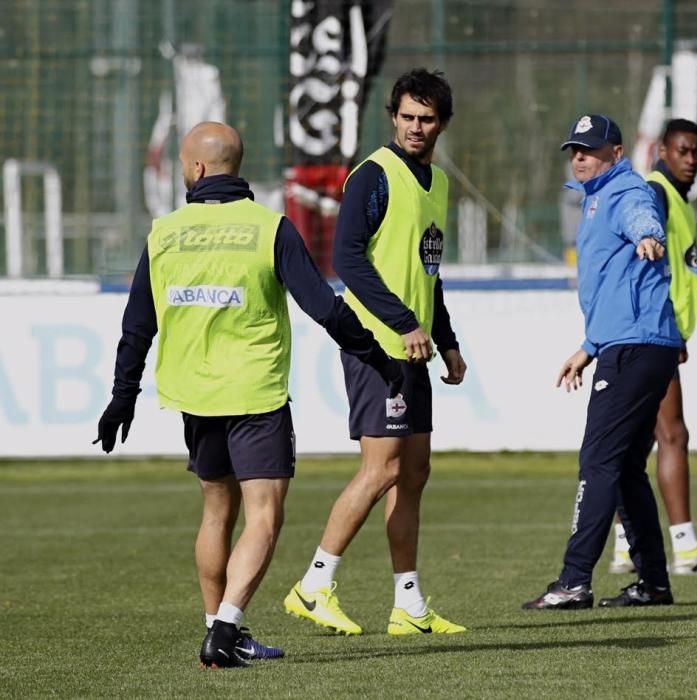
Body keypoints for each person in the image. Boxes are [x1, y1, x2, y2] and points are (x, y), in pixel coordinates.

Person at [93, 122, 402, 668]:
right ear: (236, 167)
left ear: (196, 169)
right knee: (265, 514)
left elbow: (137, 323)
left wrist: (123, 395)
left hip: (193, 394)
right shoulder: (269, 228)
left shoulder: (164, 232)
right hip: (255, 392)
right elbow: (326, 308)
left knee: (217, 512)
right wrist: (377, 357)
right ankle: (227, 628)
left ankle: (220, 632)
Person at [283, 68, 467, 636]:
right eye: (407, 117)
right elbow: (347, 261)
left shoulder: (435, 182)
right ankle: (314, 584)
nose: (416, 127)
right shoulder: (373, 174)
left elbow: (427, 273)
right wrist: (405, 323)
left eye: (427, 119)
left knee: (414, 472)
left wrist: (448, 340)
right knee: (380, 469)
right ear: (393, 117)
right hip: (377, 348)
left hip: (413, 349)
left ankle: (408, 605)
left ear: (442, 123)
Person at [522, 114, 682, 611]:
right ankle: (653, 583)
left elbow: (642, 215)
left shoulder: (623, 191)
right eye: (575, 149)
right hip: (635, 345)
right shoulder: (594, 197)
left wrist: (648, 235)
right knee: (627, 470)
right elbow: (616, 286)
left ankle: (574, 581)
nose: (579, 157)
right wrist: (589, 348)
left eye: (590, 150)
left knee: (599, 463)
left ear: (616, 154)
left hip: (635, 349)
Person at [605, 119, 697, 586]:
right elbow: (641, 262)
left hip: (660, 334)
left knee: (637, 444)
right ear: (662, 150)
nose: (691, 159)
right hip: (653, 334)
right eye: (683, 150)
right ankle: (685, 547)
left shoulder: (679, 200)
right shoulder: (657, 193)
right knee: (673, 436)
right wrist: (666, 324)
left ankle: (625, 547)